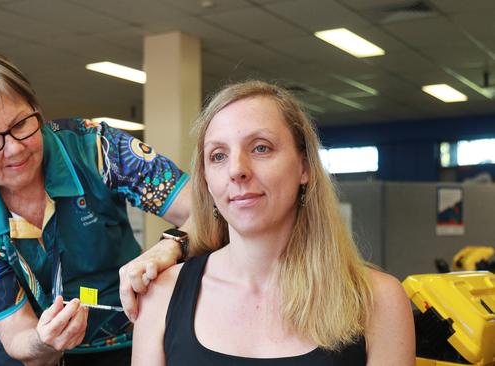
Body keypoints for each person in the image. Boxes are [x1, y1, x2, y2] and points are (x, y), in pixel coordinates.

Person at [0, 43, 190, 366]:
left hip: (126, 336)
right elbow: (17, 335)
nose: (14, 149)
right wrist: (44, 342)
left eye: (21, 124)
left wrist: (173, 245)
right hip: (34, 347)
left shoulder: (97, 148)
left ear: (36, 108)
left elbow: (207, 208)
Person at [132, 80, 415, 365]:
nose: (237, 170)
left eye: (260, 148)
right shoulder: (162, 295)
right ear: (206, 179)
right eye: (218, 155)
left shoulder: (377, 301)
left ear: (304, 167)